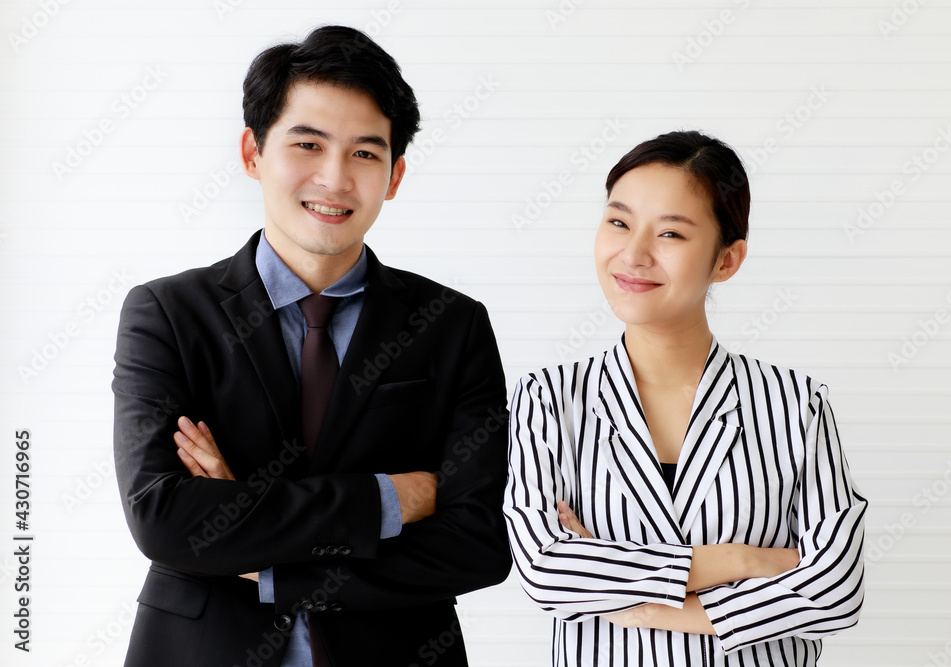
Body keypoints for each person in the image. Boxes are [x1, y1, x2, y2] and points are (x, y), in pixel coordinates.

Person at [112, 25, 511, 667]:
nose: (335, 178)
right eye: (308, 144)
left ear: (394, 174)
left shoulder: (452, 324)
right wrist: (391, 499)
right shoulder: (167, 314)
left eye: (364, 153)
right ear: (253, 152)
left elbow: (478, 544)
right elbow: (164, 518)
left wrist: (256, 548)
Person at [504, 131, 867, 665]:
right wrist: (741, 561)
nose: (633, 254)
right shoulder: (551, 399)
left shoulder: (795, 404)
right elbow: (547, 571)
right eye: (619, 222)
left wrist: (649, 608)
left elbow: (836, 590)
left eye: (670, 233)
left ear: (727, 260)